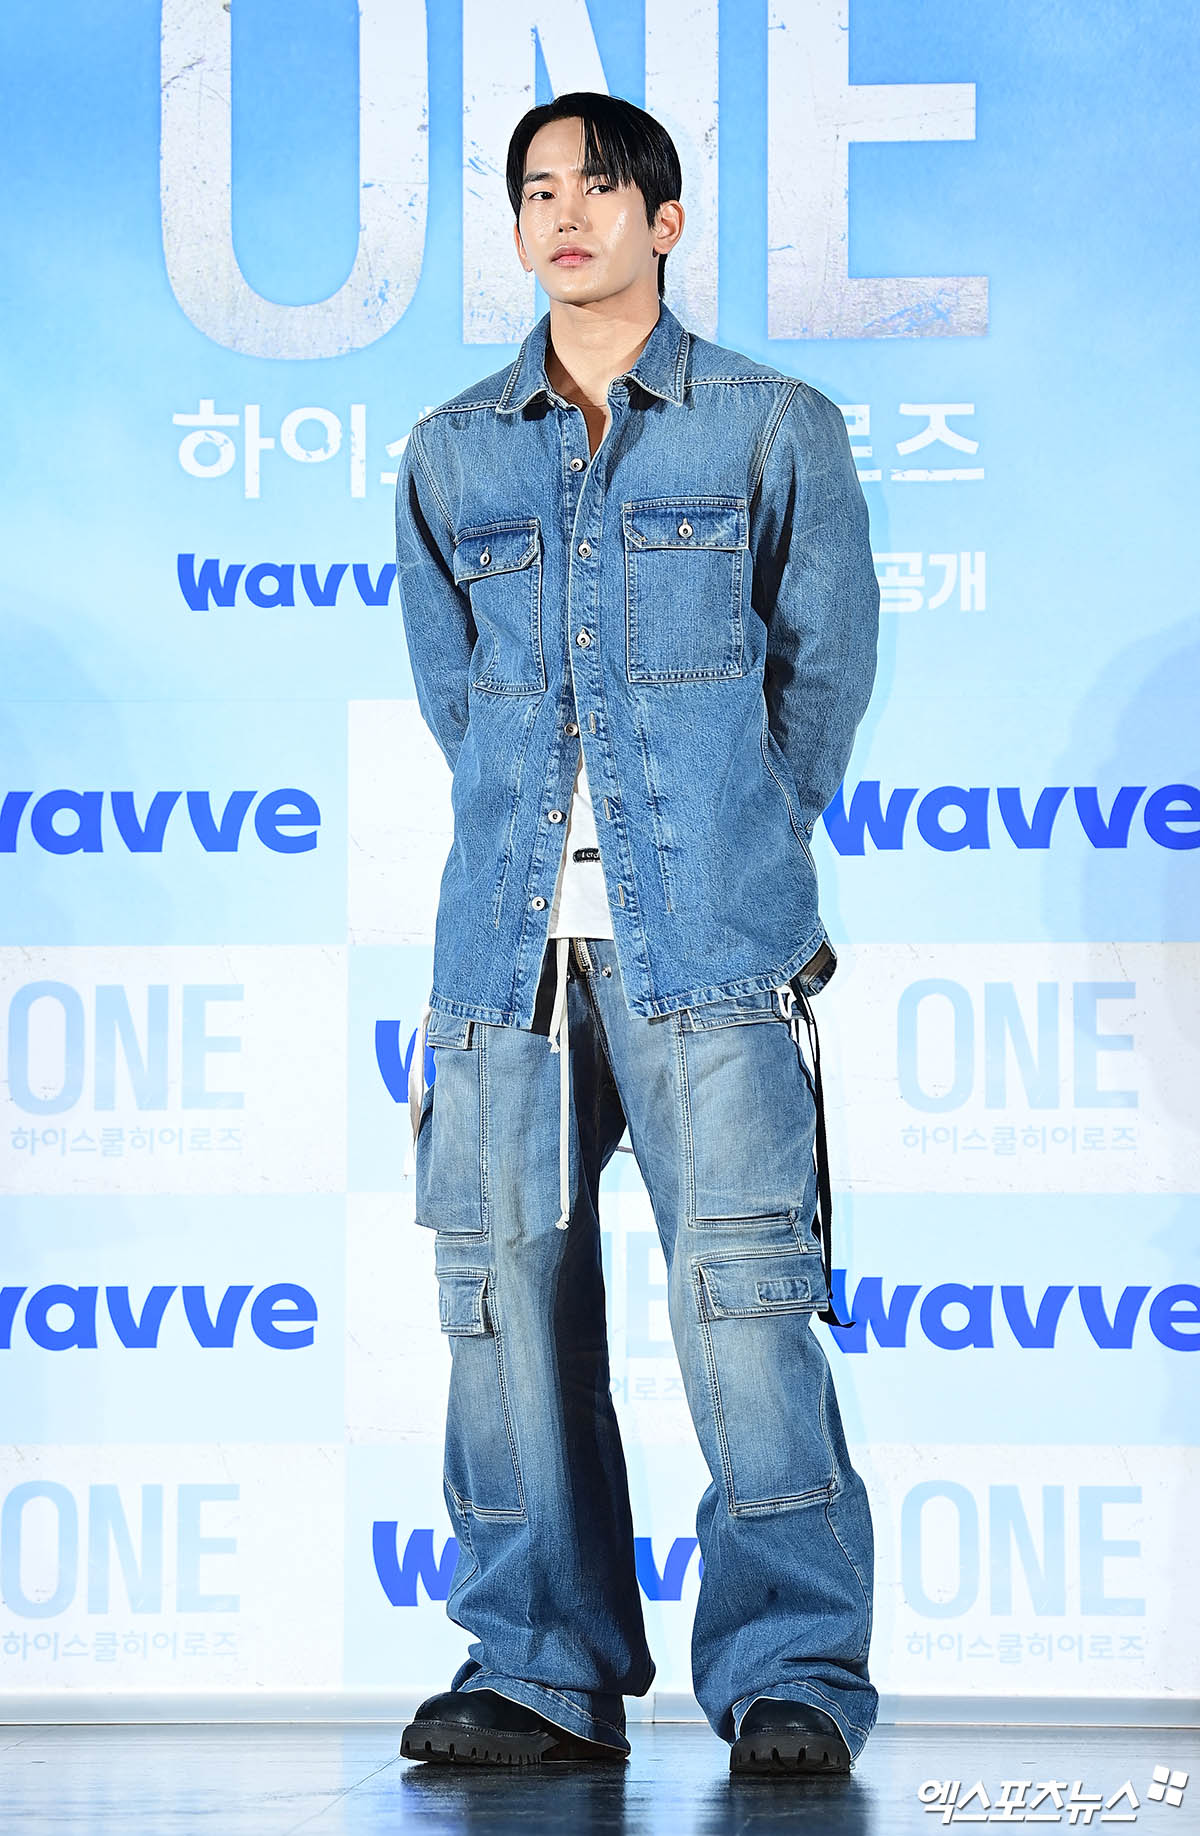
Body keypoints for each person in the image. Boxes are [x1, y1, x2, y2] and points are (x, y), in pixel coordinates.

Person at [393, 91, 880, 1776]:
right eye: (539, 191)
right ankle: (538, 1670)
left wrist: (739, 846)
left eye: (601, 188)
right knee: (503, 1316)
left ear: (664, 223)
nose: (567, 215)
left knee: (747, 1308)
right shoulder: (452, 451)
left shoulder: (770, 425)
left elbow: (822, 672)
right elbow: (459, 701)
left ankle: (792, 1673)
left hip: (715, 958)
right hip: (503, 961)